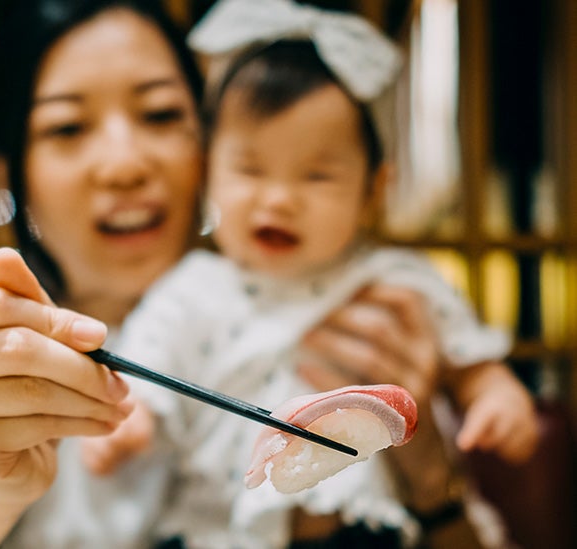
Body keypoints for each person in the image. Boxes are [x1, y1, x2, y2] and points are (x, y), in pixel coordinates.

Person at [0, 1, 521, 548]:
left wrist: (430, 481)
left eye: (163, 114)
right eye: (68, 127)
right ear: (8, 173)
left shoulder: (370, 300)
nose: (124, 162)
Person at [79, 1, 539, 547]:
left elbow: (471, 365)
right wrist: (133, 424)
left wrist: (499, 399)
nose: (278, 199)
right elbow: (149, 374)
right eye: (250, 169)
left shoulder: (394, 279)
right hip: (218, 531)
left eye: (317, 176)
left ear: (373, 191)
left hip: (362, 529)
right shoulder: (192, 288)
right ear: (209, 176)